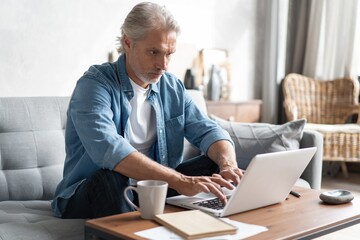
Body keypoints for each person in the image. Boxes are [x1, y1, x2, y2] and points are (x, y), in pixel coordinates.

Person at [52, 1, 243, 219]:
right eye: (154, 52)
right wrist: (181, 181)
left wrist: (228, 165)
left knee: (214, 164)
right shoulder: (94, 85)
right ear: (127, 42)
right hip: (92, 192)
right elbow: (110, 150)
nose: (164, 64)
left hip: (154, 189)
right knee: (111, 179)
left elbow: (209, 131)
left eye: (169, 54)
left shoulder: (171, 86)